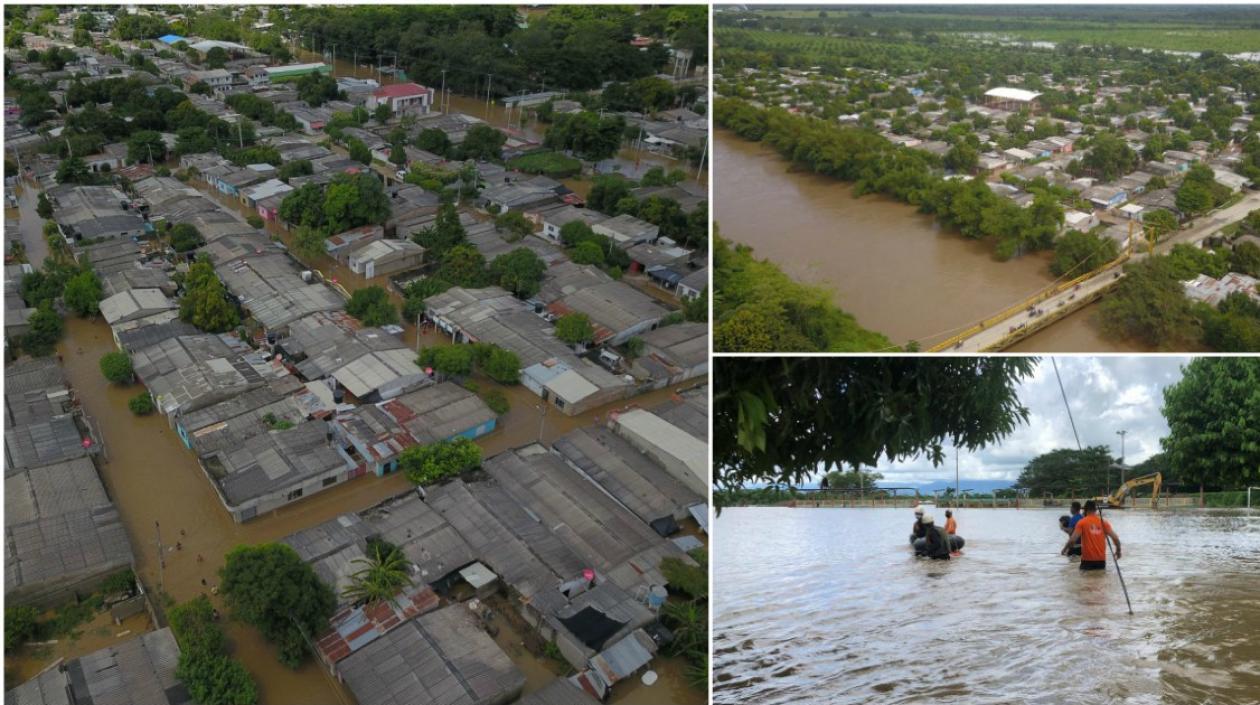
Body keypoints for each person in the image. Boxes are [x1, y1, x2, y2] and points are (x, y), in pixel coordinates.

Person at [1062, 500, 1121, 570]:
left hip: (1087, 560)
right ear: (1095, 510)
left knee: (1085, 580)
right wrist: (1118, 551)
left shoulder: (1082, 522)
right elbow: (1116, 538)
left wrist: (1064, 549)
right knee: (1100, 579)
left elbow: (1072, 540)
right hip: (1101, 560)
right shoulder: (1104, 523)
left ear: (1085, 510)